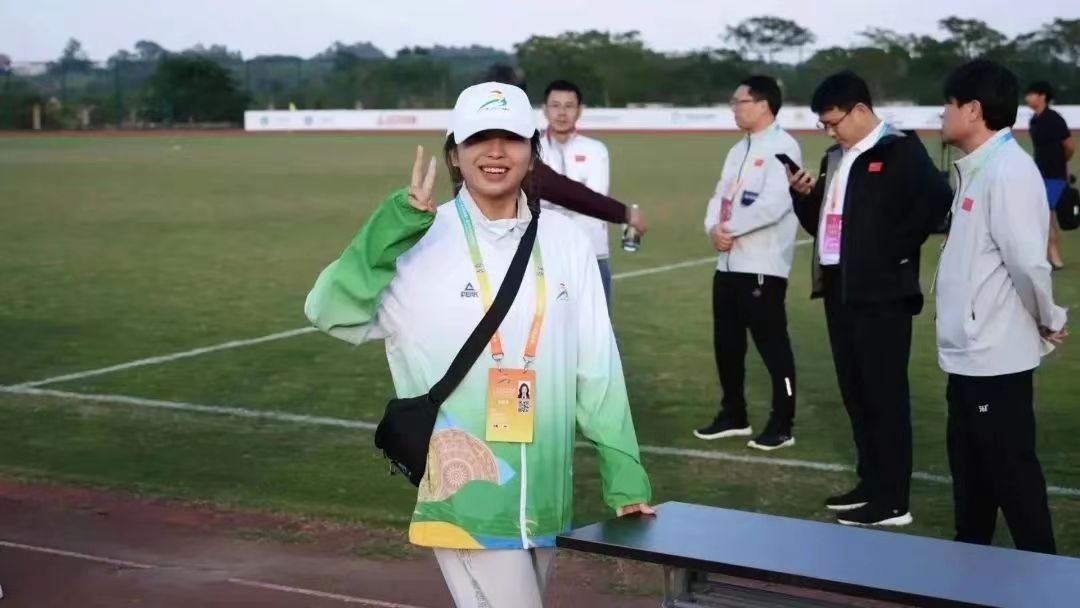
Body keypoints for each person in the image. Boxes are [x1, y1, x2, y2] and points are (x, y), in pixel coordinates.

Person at [305, 82, 652, 607]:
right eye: (478, 139)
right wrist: (389, 228)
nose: (495, 152)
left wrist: (624, 476)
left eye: (510, 138)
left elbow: (597, 368)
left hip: (547, 499)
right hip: (465, 501)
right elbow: (327, 311)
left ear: (532, 151)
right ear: (454, 153)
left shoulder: (567, 242)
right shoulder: (417, 240)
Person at [788, 71, 951, 527]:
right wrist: (803, 198)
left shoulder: (899, 149)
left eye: (834, 122)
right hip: (839, 286)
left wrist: (893, 251)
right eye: (823, 124)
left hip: (883, 294)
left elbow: (937, 199)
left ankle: (894, 500)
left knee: (884, 396)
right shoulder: (836, 157)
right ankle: (871, 482)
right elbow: (821, 224)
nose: (829, 131)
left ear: (860, 110)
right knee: (855, 392)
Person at [937, 60, 1068, 555]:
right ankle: (969, 568)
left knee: (1012, 476)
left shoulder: (1008, 171)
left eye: (948, 104)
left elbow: (1028, 264)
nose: (942, 114)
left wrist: (1049, 319)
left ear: (973, 110)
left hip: (994, 355)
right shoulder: (977, 168)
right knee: (971, 479)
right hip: (968, 353)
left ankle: (1046, 575)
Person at [693, 75, 801, 451]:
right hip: (727, 263)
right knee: (727, 345)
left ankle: (783, 423)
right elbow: (719, 195)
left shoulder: (784, 146)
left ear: (762, 104)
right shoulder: (738, 150)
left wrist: (730, 229)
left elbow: (775, 204)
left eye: (739, 102)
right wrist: (713, 228)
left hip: (762, 265)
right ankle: (733, 414)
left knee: (773, 348)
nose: (734, 108)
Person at [482, 64, 647, 249]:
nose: (561, 113)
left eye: (568, 106)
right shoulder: (516, 146)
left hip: (489, 246)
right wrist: (624, 213)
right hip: (512, 248)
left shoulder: (465, 140)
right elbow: (555, 187)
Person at [540, 79, 618, 308]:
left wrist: (547, 199)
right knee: (547, 324)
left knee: (598, 325)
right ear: (545, 110)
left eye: (569, 106)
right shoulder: (531, 150)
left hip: (592, 252)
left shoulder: (595, 150)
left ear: (580, 111)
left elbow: (594, 200)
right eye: (555, 105)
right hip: (544, 254)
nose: (562, 113)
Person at [1024, 81, 1075, 270]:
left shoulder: (1055, 119)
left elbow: (1069, 146)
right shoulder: (1034, 121)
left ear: (1042, 96)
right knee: (1043, 214)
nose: (1027, 98)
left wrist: (1060, 162)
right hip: (1038, 173)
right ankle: (1048, 254)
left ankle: (1053, 254)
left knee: (1046, 213)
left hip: (1055, 175)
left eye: (1031, 94)